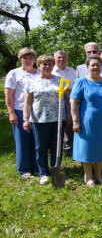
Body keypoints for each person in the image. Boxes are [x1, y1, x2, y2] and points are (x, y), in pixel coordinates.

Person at [71, 55, 102, 186]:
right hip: (87, 121)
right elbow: (73, 102)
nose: (95, 67)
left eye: (98, 65)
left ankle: (98, 174)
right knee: (87, 147)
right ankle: (88, 176)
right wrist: (76, 121)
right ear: (87, 67)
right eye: (92, 65)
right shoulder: (81, 82)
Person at [22, 55, 65, 185]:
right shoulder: (31, 81)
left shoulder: (60, 80)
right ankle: (44, 173)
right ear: (39, 66)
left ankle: (55, 169)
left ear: (53, 66)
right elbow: (27, 102)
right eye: (44, 64)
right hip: (39, 119)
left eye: (50, 64)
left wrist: (68, 115)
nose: (47, 67)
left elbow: (67, 99)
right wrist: (26, 119)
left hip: (58, 119)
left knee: (56, 147)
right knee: (41, 147)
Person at [5, 47, 39, 178]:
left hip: (37, 112)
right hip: (19, 110)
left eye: (31, 58)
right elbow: (8, 95)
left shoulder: (39, 73)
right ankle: (24, 169)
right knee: (22, 141)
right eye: (25, 58)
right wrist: (11, 112)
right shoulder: (14, 74)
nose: (28, 60)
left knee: (37, 141)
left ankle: (37, 167)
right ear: (20, 59)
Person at [52, 50, 77, 157]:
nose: (61, 59)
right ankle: (55, 150)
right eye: (59, 57)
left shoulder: (72, 71)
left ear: (67, 59)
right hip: (56, 102)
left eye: (63, 57)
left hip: (72, 100)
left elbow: (76, 86)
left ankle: (69, 149)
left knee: (70, 123)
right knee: (57, 125)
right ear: (54, 59)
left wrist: (68, 90)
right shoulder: (51, 71)